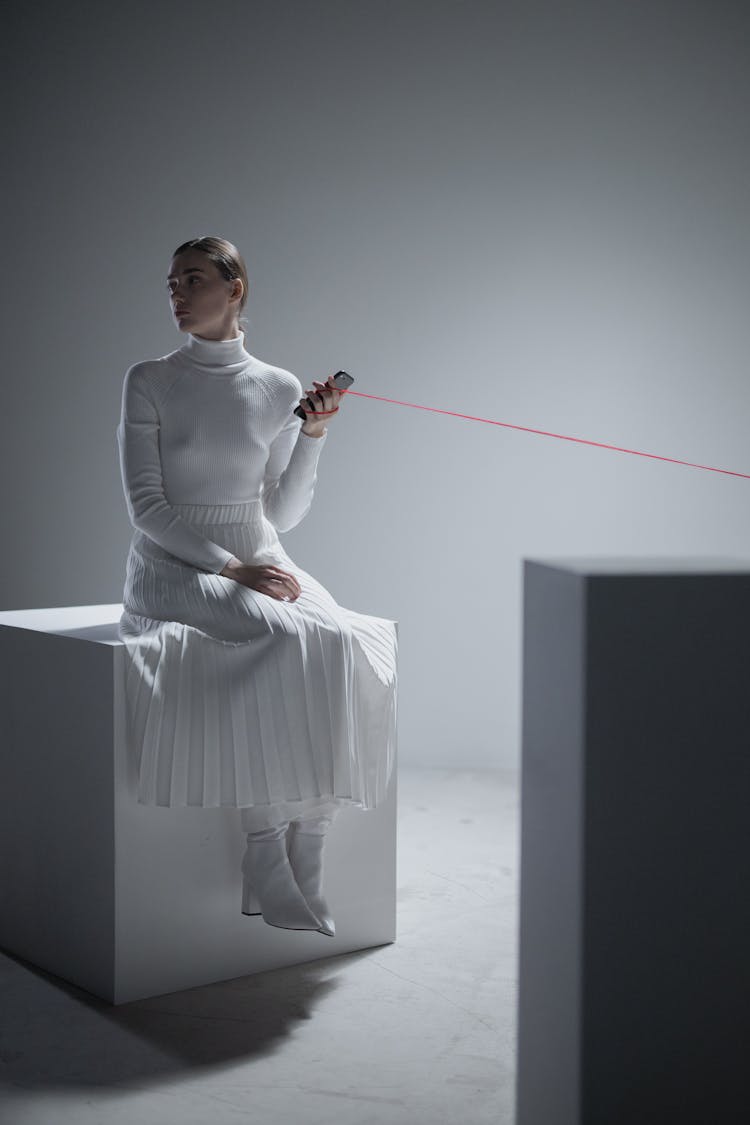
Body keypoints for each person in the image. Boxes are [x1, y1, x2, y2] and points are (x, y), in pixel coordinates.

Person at [116, 235, 398, 938]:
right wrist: (230, 568)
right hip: (176, 562)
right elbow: (148, 509)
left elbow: (280, 511)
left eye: (192, 279)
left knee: (341, 637)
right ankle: (264, 847)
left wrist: (315, 436)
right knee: (277, 635)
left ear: (234, 288)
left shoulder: (275, 384)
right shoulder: (149, 379)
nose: (176, 293)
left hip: (259, 547)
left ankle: (312, 841)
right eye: (171, 282)